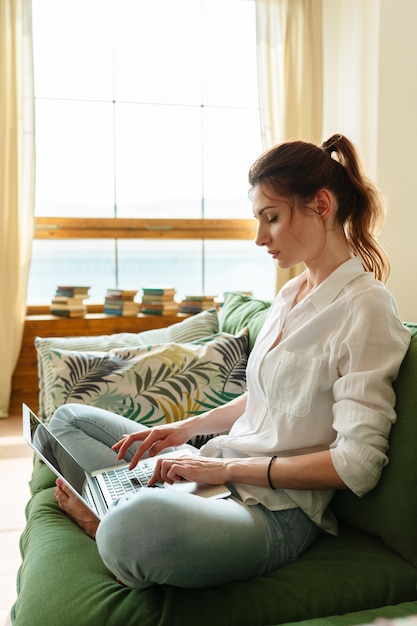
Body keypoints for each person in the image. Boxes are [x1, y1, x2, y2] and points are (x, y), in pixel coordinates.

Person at [49, 133, 411, 589]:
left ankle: (104, 523)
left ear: (321, 205)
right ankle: (120, 500)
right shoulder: (291, 293)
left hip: (275, 511)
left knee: (133, 529)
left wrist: (223, 469)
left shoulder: (367, 308)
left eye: (272, 218)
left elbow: (357, 464)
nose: (260, 238)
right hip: (215, 470)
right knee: (66, 420)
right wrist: (185, 430)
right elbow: (266, 396)